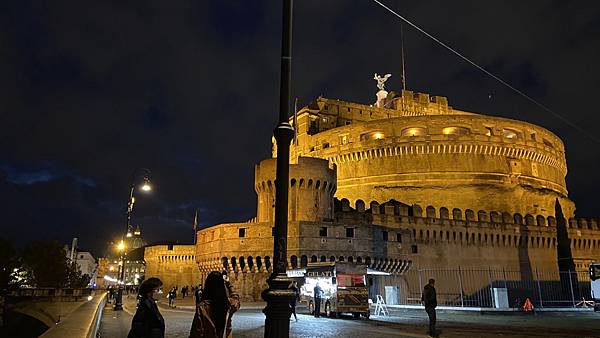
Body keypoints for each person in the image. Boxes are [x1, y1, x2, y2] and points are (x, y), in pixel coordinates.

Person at [189, 271, 240, 338]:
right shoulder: (228, 304)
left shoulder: (202, 307)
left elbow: (196, 332)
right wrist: (228, 284)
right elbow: (236, 298)